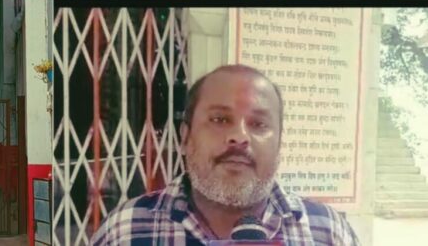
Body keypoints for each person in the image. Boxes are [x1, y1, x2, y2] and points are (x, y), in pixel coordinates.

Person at [91, 65, 360, 245]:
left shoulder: (327, 232)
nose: (240, 137)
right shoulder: (125, 230)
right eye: (220, 119)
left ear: (279, 145)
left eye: (259, 124)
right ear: (185, 137)